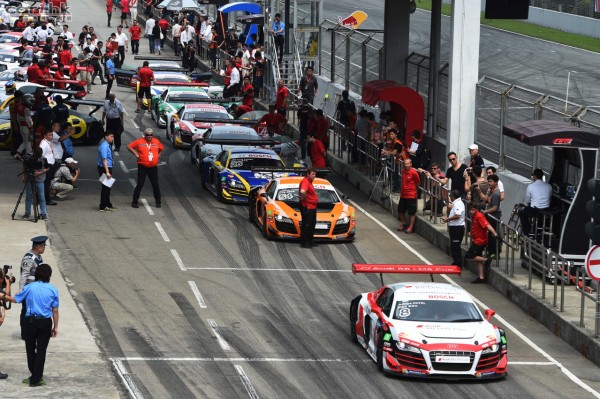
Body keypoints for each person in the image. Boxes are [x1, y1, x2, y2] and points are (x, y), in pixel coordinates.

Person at [3, 264, 59, 387]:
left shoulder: (29, 287)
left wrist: (2, 296)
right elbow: (55, 310)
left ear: (36, 275)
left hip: (30, 322)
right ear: (49, 276)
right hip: (45, 323)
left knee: (30, 349)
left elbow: (15, 300)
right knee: (41, 351)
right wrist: (55, 327)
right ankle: (36, 377)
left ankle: (35, 375)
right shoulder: (53, 290)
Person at [18, 236, 47, 341]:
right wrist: (21, 290)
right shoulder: (29, 258)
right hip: (28, 289)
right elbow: (24, 275)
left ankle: (32, 331)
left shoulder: (38, 257)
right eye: (44, 246)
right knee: (26, 311)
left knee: (33, 311)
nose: (44, 248)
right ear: (39, 247)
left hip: (36, 289)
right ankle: (25, 334)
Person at [127, 128, 164, 208]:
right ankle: (134, 202)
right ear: (145, 135)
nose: (149, 136)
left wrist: (157, 156)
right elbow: (129, 146)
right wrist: (135, 154)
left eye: (151, 135)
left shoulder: (156, 141)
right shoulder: (139, 141)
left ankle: (158, 202)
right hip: (142, 167)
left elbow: (162, 148)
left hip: (153, 167)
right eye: (148, 135)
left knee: (155, 185)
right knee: (140, 184)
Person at [465, 206, 498, 283]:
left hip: (480, 241)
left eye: (472, 209)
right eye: (470, 210)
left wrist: (495, 233)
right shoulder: (473, 216)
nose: (471, 211)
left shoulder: (479, 216)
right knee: (478, 259)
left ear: (476, 209)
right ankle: (481, 277)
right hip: (477, 240)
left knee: (469, 256)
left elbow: (487, 225)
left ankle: (487, 260)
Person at [519, 168, 552, 236]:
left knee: (521, 212)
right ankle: (539, 231)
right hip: (546, 210)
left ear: (534, 176)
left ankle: (527, 233)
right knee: (538, 214)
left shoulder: (531, 186)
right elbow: (549, 198)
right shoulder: (549, 186)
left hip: (535, 210)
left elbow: (526, 201)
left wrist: (524, 206)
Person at [21, 148, 49, 220]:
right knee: (28, 196)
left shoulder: (43, 159)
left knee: (41, 197)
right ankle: (27, 213)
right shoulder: (29, 157)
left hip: (40, 179)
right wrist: (24, 175)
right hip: (30, 179)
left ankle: (43, 214)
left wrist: (40, 172)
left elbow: (47, 168)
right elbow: (25, 166)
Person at [442, 189, 465, 268]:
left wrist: (448, 219)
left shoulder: (458, 204)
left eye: (450, 196)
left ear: (452, 196)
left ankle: (458, 264)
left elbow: (457, 215)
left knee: (456, 246)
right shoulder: (454, 204)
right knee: (453, 246)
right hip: (454, 228)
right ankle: (456, 262)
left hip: (457, 228)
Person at [397, 158, 421, 234]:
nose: (406, 165)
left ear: (411, 164)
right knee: (400, 210)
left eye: (408, 163)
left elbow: (418, 183)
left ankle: (411, 226)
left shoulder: (414, 172)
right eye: (405, 163)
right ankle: (403, 224)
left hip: (411, 195)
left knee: (411, 212)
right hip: (403, 195)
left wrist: (412, 190)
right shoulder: (403, 171)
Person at [483, 174, 502, 256]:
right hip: (490, 216)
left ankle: (494, 252)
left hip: (494, 217)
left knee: (493, 234)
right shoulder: (490, 191)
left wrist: (485, 211)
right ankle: (490, 250)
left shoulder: (496, 194)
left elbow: (495, 208)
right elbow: (486, 199)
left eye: (491, 182)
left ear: (496, 182)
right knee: (489, 235)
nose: (489, 183)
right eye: (488, 181)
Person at [299, 167, 318, 248]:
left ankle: (310, 241)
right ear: (308, 174)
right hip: (308, 207)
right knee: (307, 225)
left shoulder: (309, 182)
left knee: (312, 224)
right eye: (313, 174)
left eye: (315, 174)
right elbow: (302, 191)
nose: (314, 176)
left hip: (312, 207)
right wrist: (304, 197)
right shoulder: (306, 181)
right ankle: (305, 242)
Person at [381, 128, 404, 193]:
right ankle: (396, 187)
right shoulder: (394, 142)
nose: (391, 136)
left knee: (398, 175)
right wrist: (386, 151)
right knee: (395, 174)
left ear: (396, 135)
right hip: (397, 161)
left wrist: (386, 152)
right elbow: (391, 150)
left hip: (401, 161)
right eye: (390, 134)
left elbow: (394, 152)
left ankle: (399, 188)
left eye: (392, 134)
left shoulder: (397, 143)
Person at [98, 131, 116, 212]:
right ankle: (102, 206)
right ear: (106, 137)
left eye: (113, 136)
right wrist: (107, 172)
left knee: (108, 187)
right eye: (111, 136)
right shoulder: (104, 146)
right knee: (105, 187)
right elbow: (104, 160)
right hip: (104, 169)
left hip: (106, 168)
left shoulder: (107, 145)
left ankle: (108, 204)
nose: (112, 138)